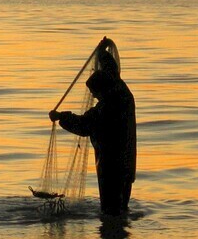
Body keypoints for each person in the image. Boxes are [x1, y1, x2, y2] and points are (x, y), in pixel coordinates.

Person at [48, 52, 136, 216]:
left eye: (95, 93)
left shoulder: (106, 109)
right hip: (128, 164)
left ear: (103, 90)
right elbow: (112, 71)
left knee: (111, 210)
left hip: (111, 167)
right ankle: (120, 235)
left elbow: (84, 126)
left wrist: (60, 117)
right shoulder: (123, 94)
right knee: (122, 207)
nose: (94, 96)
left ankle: (111, 238)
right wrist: (103, 54)